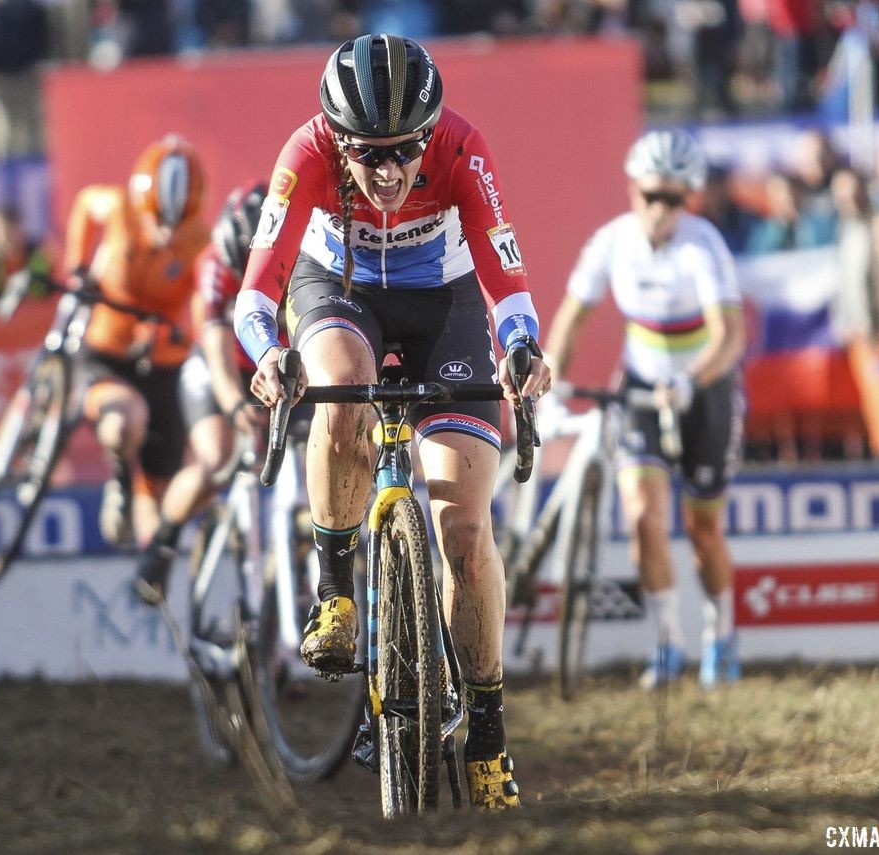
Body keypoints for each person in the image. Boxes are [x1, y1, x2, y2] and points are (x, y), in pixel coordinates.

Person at [232, 34, 551, 809]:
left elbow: (506, 280)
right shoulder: (303, 153)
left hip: (441, 304)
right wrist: (269, 355)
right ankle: (336, 590)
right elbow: (253, 296)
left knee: (466, 532)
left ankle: (486, 733)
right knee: (341, 385)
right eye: (367, 154)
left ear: (430, 133)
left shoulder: (464, 149)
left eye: (405, 151)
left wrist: (520, 348)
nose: (388, 172)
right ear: (336, 141)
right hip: (336, 289)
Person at [543, 129, 746, 690]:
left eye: (674, 199)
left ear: (690, 200)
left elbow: (728, 335)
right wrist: (550, 379)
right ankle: (667, 643)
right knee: (642, 518)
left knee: (702, 529)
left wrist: (691, 379)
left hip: (703, 389)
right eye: (651, 196)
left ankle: (720, 636)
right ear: (633, 191)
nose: (661, 210)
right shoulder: (612, 241)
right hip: (639, 387)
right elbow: (571, 319)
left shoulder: (702, 246)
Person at [62, 134, 211, 566]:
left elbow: (202, 303)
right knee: (126, 419)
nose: (166, 231)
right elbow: (85, 206)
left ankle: (150, 575)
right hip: (106, 351)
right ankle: (119, 478)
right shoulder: (119, 209)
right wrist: (76, 269)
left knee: (162, 495)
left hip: (163, 363)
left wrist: (180, 333)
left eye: (177, 221)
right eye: (156, 220)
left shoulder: (199, 241)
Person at [132, 180, 268, 603]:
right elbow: (214, 343)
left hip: (272, 365)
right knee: (218, 460)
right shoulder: (213, 263)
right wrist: (231, 404)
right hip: (217, 367)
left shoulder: (304, 257)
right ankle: (162, 544)